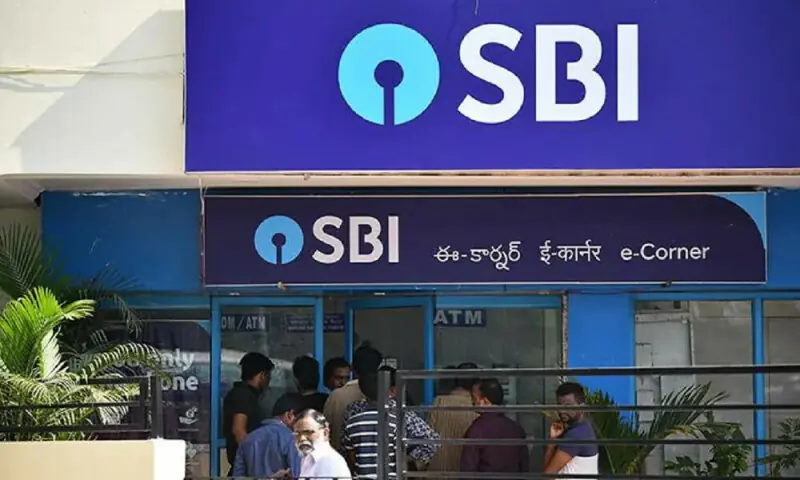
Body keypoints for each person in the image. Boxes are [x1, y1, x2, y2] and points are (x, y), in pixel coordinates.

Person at [341, 368, 440, 478]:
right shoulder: (399, 413)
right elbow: (432, 441)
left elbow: (349, 452)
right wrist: (409, 463)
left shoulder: (352, 411)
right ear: (391, 390)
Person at [461, 378, 529, 474]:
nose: (472, 403)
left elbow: (468, 469)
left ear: (484, 401)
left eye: (474, 398)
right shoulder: (516, 429)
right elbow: (524, 467)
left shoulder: (477, 430)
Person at [324, 344, 382, 451]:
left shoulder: (336, 397)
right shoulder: (388, 396)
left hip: (340, 458)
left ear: (352, 368)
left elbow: (325, 431)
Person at [222, 352, 274, 472]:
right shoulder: (243, 395)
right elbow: (238, 430)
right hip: (246, 467)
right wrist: (255, 461)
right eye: (268, 377)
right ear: (262, 375)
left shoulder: (247, 395)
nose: (268, 382)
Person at [232, 392, 304, 479]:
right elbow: (297, 475)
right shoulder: (291, 438)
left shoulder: (248, 439)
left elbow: (238, 476)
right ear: (290, 415)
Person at [427, 362, 480, 474]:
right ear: (476, 384)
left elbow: (428, 438)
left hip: (437, 471)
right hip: (463, 472)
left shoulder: (439, 401)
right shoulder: (477, 406)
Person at [543, 382, 598, 477]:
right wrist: (553, 441)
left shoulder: (576, 435)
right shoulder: (584, 427)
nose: (562, 411)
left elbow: (547, 475)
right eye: (559, 405)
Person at [294, 409, 352, 480]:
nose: (301, 438)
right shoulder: (308, 457)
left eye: (308, 432)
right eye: (297, 434)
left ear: (325, 433)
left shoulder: (329, 462)